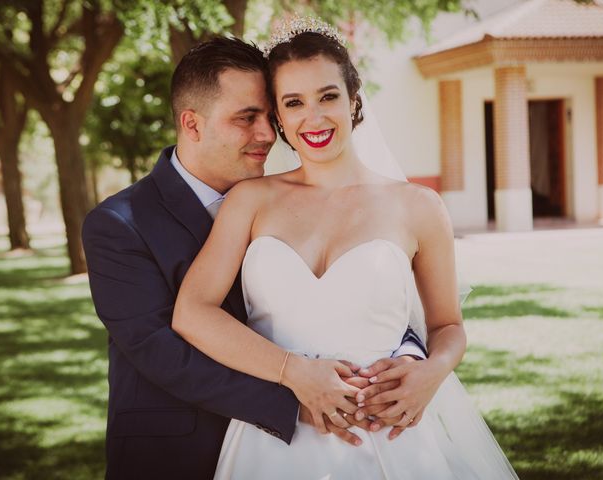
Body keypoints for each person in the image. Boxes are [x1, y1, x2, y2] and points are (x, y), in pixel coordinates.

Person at [171, 18, 519, 479]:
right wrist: (292, 372)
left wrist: (431, 374)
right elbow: (192, 312)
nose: (313, 118)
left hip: (391, 437)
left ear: (354, 100)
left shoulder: (417, 206)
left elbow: (448, 325)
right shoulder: (250, 201)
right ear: (278, 116)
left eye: (328, 96)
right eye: (293, 103)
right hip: (274, 438)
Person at [82, 36, 425, 480]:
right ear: (192, 124)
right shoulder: (119, 223)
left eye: (270, 115)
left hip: (318, 440)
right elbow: (163, 354)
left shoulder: (284, 201)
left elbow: (362, 297)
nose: (268, 133)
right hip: (178, 453)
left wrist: (408, 358)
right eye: (247, 118)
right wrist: (295, 392)